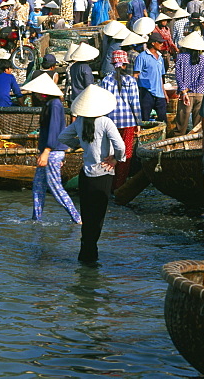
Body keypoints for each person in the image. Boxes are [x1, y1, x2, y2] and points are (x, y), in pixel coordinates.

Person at [56, 85, 126, 265]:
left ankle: (85, 252)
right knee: (98, 217)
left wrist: (80, 145)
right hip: (103, 174)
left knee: (87, 217)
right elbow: (121, 146)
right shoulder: (105, 122)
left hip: (86, 175)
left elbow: (63, 137)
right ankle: (91, 254)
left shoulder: (79, 122)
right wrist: (116, 160)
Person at [26, 73, 81, 224]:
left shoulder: (55, 105)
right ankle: (36, 218)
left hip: (52, 152)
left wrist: (46, 151)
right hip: (50, 151)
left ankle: (77, 217)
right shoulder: (49, 104)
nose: (35, 95)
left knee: (55, 187)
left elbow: (54, 130)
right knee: (38, 186)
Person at [98, 50, 141, 189]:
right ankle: (119, 185)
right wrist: (138, 123)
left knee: (110, 153)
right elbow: (135, 104)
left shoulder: (105, 80)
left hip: (110, 121)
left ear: (112, 64)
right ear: (124, 65)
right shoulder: (131, 81)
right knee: (125, 154)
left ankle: (108, 183)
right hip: (128, 122)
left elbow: (103, 103)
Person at [174, 32, 204, 134]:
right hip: (200, 93)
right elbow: (201, 80)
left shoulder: (180, 57)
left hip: (186, 94)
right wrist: (189, 88)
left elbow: (178, 76)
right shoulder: (203, 59)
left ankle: (178, 141)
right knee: (198, 124)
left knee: (181, 122)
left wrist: (184, 90)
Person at [133, 31, 167, 122]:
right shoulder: (142, 57)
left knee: (162, 118)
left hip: (159, 93)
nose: (161, 44)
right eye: (159, 42)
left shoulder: (160, 58)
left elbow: (160, 77)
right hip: (146, 92)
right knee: (145, 118)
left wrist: (165, 93)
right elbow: (136, 75)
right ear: (153, 43)